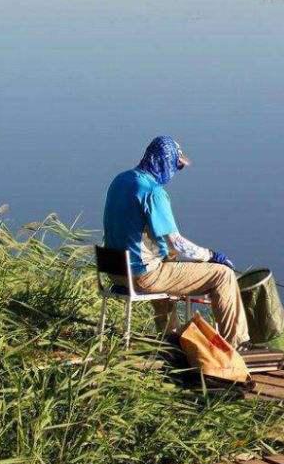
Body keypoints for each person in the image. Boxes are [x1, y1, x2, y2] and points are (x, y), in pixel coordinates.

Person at [102, 136, 250, 349]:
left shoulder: (121, 180)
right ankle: (236, 344)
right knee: (223, 275)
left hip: (115, 271)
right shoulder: (153, 192)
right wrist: (211, 256)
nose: (175, 172)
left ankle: (170, 336)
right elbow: (177, 243)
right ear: (165, 163)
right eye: (176, 166)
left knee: (167, 260)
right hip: (142, 277)